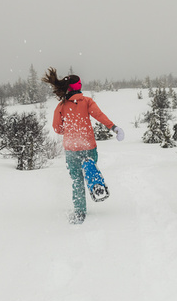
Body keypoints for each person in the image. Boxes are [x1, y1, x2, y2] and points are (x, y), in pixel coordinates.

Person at [43, 68, 124, 224]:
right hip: (88, 145)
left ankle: (79, 212)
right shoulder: (87, 101)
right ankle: (94, 179)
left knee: (77, 180)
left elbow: (56, 128)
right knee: (89, 164)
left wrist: (68, 130)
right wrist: (113, 127)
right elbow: (99, 116)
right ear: (78, 86)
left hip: (71, 149)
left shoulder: (61, 106)